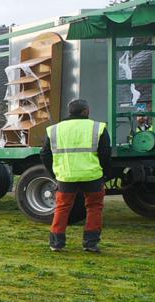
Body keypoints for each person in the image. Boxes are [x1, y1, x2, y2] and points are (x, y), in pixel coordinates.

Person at [40, 99, 112, 253]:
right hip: (92, 175)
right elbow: (106, 153)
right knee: (94, 208)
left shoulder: (54, 129)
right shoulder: (98, 127)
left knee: (62, 208)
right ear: (85, 111)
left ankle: (56, 243)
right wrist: (103, 172)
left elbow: (44, 154)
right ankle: (90, 243)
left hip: (66, 176)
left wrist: (55, 173)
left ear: (69, 111)